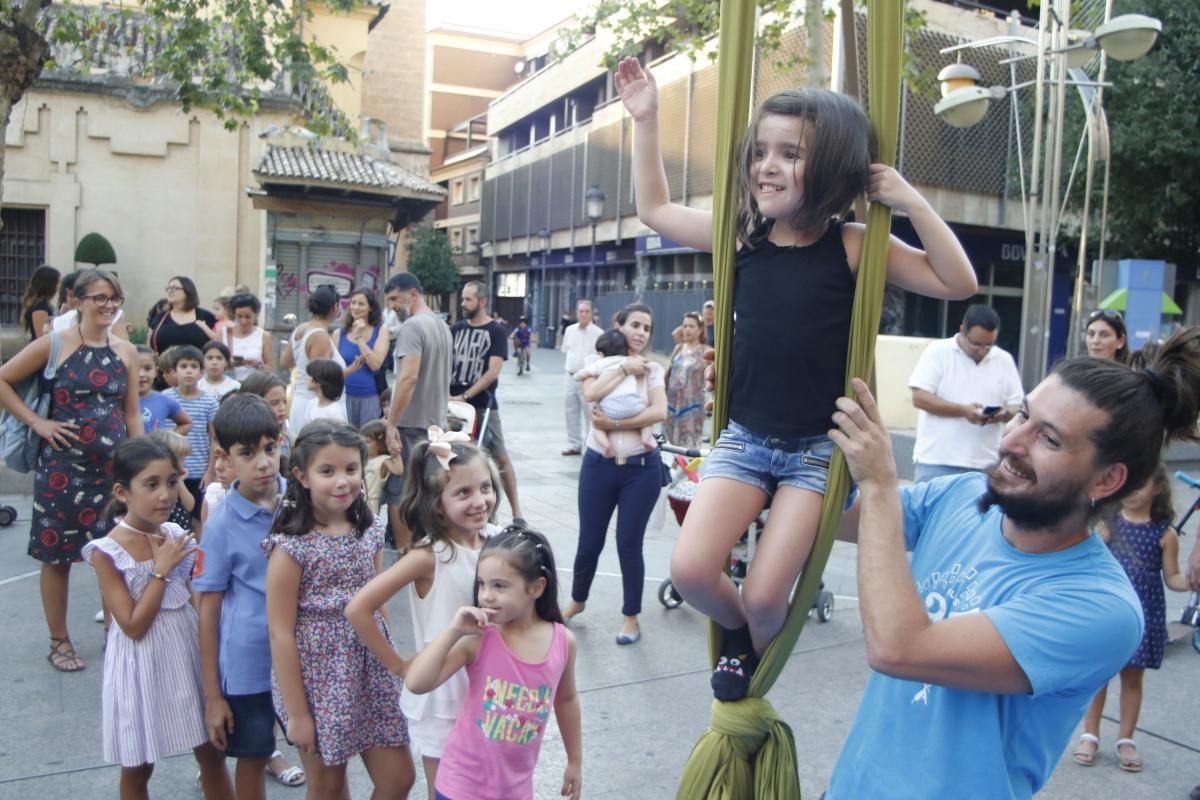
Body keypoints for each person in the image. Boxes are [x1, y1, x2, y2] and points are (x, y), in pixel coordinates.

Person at [615, 57, 978, 697]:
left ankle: (752, 654)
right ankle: (737, 637)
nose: (768, 166)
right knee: (694, 572)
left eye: (790, 153)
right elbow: (657, 210)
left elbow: (958, 282)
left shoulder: (854, 244)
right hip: (746, 439)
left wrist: (909, 200)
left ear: (833, 167)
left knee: (764, 595)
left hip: (816, 455)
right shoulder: (742, 238)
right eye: (761, 152)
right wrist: (646, 119)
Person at [822, 326, 1200, 798]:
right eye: (1024, 413)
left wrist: (879, 483)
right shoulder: (964, 495)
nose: (1012, 441)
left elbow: (898, 649)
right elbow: (839, 517)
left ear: (1106, 480)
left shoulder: (1101, 608)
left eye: (1050, 439)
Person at [0, 268, 143, 672]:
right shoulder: (54, 344)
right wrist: (37, 422)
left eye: (114, 298)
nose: (108, 305)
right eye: (99, 297)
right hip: (61, 469)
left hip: (112, 472)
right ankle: (58, 641)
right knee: (57, 556)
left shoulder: (126, 350)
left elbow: (131, 412)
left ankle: (115, 635)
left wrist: (139, 461)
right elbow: (3, 380)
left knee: (113, 555)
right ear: (76, 301)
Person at [265, 420, 414, 798]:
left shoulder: (369, 529)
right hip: (318, 674)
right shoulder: (292, 545)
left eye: (351, 469)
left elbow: (377, 601)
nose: (342, 481)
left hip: (372, 667)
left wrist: (391, 658)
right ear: (302, 475)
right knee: (329, 787)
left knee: (398, 777)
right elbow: (280, 632)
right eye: (327, 471)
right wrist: (298, 715)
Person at [346, 431, 498, 799]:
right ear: (435, 502)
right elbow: (357, 608)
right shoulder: (429, 556)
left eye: (485, 488)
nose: (480, 501)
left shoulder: (498, 539)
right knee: (445, 790)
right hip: (444, 691)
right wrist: (399, 665)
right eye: (463, 493)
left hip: (492, 686)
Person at [82, 438, 231, 799]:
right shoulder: (108, 551)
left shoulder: (176, 535)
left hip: (185, 651)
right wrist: (160, 571)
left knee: (212, 752)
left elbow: (200, 595)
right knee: (138, 765)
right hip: (139, 663)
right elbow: (131, 625)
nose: (165, 495)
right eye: (151, 485)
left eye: (171, 482)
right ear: (123, 491)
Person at [405, 527, 582, 800]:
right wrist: (453, 630)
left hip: (515, 790)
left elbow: (567, 700)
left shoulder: (562, 641)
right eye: (482, 584)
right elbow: (417, 683)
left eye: (499, 586)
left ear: (536, 587)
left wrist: (575, 761)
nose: (486, 595)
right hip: (460, 786)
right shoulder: (479, 638)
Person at [194, 394, 299, 799]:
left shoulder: (300, 501)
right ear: (225, 458)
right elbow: (208, 611)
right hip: (249, 665)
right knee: (254, 756)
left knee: (315, 747)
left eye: (270, 448)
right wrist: (213, 696)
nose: (263, 462)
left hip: (301, 655)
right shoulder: (221, 524)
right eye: (248, 452)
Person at [1073, 465, 1190, 771]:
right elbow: (1086, 562)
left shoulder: (1165, 534)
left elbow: (1173, 577)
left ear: (1158, 489)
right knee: (1099, 677)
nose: (1134, 490)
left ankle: (1126, 739)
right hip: (1108, 613)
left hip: (1145, 615)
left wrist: (1191, 582)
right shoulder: (1107, 524)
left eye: (1142, 483)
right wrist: (1094, 540)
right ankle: (1090, 734)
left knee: (1133, 678)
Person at [563, 303, 667, 644]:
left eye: (647, 328)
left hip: (641, 470)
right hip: (598, 465)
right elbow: (591, 394)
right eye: (634, 325)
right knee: (589, 540)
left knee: (628, 543)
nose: (640, 333)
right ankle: (577, 601)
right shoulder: (597, 364)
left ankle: (631, 617)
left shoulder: (652, 370)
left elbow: (658, 411)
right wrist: (624, 368)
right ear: (617, 326)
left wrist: (617, 423)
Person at [909, 304, 1023, 483]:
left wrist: (1003, 414)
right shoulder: (937, 351)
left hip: (986, 464)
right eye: (976, 343)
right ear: (962, 331)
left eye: (989, 345)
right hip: (936, 461)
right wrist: (963, 410)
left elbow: (1017, 408)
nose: (982, 350)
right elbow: (919, 398)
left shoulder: (1004, 360)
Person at [385, 272, 453, 549]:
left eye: (395, 299)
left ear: (413, 294)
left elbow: (408, 378)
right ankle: (424, 557)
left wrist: (391, 424)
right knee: (428, 495)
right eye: (388, 300)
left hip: (411, 425)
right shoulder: (441, 326)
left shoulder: (412, 327)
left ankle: (405, 557)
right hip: (435, 426)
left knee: (399, 495)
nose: (391, 305)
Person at [450, 280, 526, 525]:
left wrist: (467, 395)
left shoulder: (495, 331)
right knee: (457, 456)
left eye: (468, 299)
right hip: (455, 405)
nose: (463, 304)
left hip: (483, 404)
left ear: (482, 302)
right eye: (463, 299)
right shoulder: (456, 329)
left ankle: (517, 514)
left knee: (500, 456)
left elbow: (493, 371)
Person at [575, 329, 657, 456]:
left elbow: (584, 374)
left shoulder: (600, 363)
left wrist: (578, 376)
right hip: (633, 405)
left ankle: (606, 445)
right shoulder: (629, 361)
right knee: (648, 421)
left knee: (597, 425)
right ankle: (646, 438)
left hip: (610, 408)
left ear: (601, 353)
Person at [281, 285, 345, 440]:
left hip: (300, 400)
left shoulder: (301, 328)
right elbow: (321, 377)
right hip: (315, 404)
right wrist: (351, 370)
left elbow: (286, 361)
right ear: (334, 307)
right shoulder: (320, 336)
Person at [164, 345, 218, 522]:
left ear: (201, 372)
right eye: (183, 366)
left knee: (198, 519)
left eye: (194, 367)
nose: (189, 371)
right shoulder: (165, 399)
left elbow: (214, 439)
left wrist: (210, 472)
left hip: (199, 471)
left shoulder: (209, 402)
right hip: (170, 469)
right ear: (174, 371)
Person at [335, 287, 390, 428]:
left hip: (369, 397)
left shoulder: (381, 331)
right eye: (353, 303)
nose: (355, 307)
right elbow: (332, 369)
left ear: (370, 307)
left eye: (361, 304)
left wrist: (359, 337)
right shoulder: (339, 334)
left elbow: (375, 364)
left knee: (367, 442)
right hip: (343, 396)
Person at [559, 300, 601, 456]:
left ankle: (590, 445)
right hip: (570, 375)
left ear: (591, 313)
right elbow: (566, 349)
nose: (583, 314)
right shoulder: (570, 330)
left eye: (587, 311)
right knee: (570, 410)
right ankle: (573, 444)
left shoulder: (598, 333)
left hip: (588, 378)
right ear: (577, 313)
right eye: (581, 311)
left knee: (588, 412)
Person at [663, 311, 707, 450]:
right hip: (672, 402)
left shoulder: (706, 351)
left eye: (691, 326)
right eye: (685, 326)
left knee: (689, 446)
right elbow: (669, 370)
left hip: (692, 407)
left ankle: (687, 471)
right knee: (669, 445)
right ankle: (669, 470)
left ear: (700, 329)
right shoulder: (679, 348)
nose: (687, 329)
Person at [149, 276, 218, 360]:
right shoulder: (160, 317)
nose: (170, 291)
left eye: (175, 288)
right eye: (168, 288)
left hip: (197, 369)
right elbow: (149, 347)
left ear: (188, 291)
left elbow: (218, 344)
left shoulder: (206, 316)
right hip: (166, 370)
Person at [135, 345, 193, 435]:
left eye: (147, 368)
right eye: (135, 369)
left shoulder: (164, 400)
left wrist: (166, 439)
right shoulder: (117, 401)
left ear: (155, 371)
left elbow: (186, 423)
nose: (141, 374)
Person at [149, 429, 197, 534]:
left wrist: (179, 482)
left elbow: (189, 506)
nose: (184, 464)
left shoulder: (177, 481)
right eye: (181, 459)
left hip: (182, 532)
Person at [359, 419, 403, 517]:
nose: (364, 445)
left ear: (382, 446)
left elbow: (398, 470)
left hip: (371, 503)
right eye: (361, 442)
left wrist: (396, 453)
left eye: (368, 442)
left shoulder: (382, 460)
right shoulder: (361, 460)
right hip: (356, 501)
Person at [225, 292, 274, 381]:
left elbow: (269, 367)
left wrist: (258, 366)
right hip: (229, 386)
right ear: (234, 314)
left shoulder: (264, 336)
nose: (243, 321)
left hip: (254, 385)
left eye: (248, 317)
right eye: (239, 316)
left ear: (256, 315)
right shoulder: (225, 333)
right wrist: (229, 364)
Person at [302, 358, 348, 427]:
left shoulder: (335, 413)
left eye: (310, 376)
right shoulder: (312, 404)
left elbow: (342, 435)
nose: (307, 379)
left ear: (319, 381)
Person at [21, 264, 60, 340]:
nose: (59, 286)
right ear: (49, 284)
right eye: (58, 282)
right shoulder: (39, 308)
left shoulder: (45, 305)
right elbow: (41, 338)